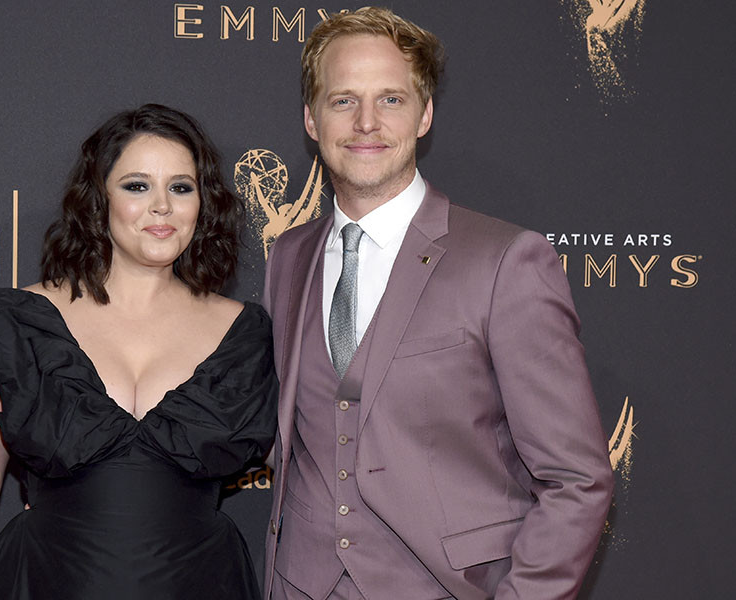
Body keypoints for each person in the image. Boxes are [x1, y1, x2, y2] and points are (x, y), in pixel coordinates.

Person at [262, 8, 613, 600]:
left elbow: (576, 479)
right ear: (311, 119)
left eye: (391, 100)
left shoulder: (505, 261)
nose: (366, 122)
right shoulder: (288, 258)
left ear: (424, 115)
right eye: (343, 100)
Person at [0, 104, 278, 599]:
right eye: (137, 185)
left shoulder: (246, 334)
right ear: (98, 200)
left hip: (201, 583)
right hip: (45, 583)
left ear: (203, 204)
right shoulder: (18, 324)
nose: (162, 206)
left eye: (181, 187)